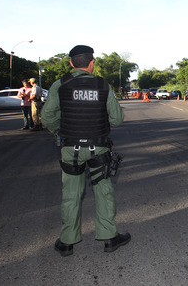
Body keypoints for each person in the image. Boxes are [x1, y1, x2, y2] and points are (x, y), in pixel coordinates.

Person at [41, 45, 130, 257]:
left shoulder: (59, 84)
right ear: (92, 63)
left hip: (70, 148)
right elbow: (117, 119)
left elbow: (47, 117)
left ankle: (67, 242)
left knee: (71, 194)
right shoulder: (103, 85)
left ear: (71, 63)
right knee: (103, 191)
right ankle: (109, 237)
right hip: (98, 148)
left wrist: (60, 131)